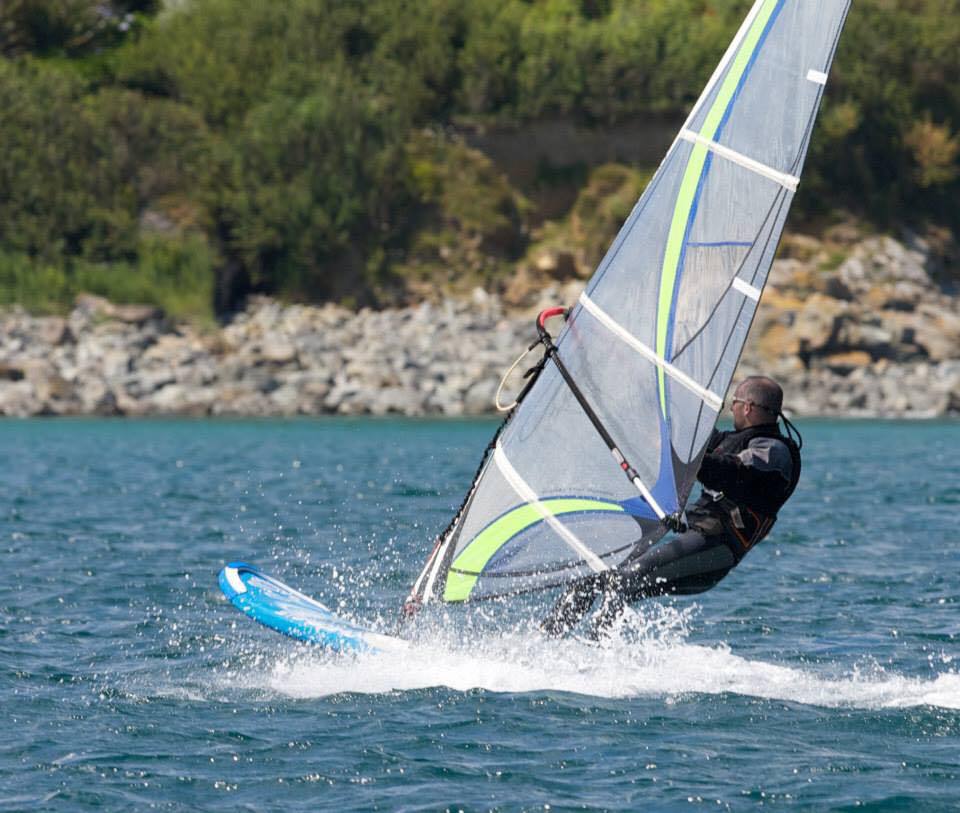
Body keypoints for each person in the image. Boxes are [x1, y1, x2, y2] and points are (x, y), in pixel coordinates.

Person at [540, 375, 802, 639]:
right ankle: (547, 640)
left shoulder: (774, 451)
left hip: (716, 549)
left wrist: (683, 459)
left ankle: (595, 651)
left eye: (733, 402)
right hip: (697, 535)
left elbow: (727, 471)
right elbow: (685, 434)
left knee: (626, 580)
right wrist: (630, 398)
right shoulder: (732, 439)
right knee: (598, 574)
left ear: (747, 407)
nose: (730, 408)